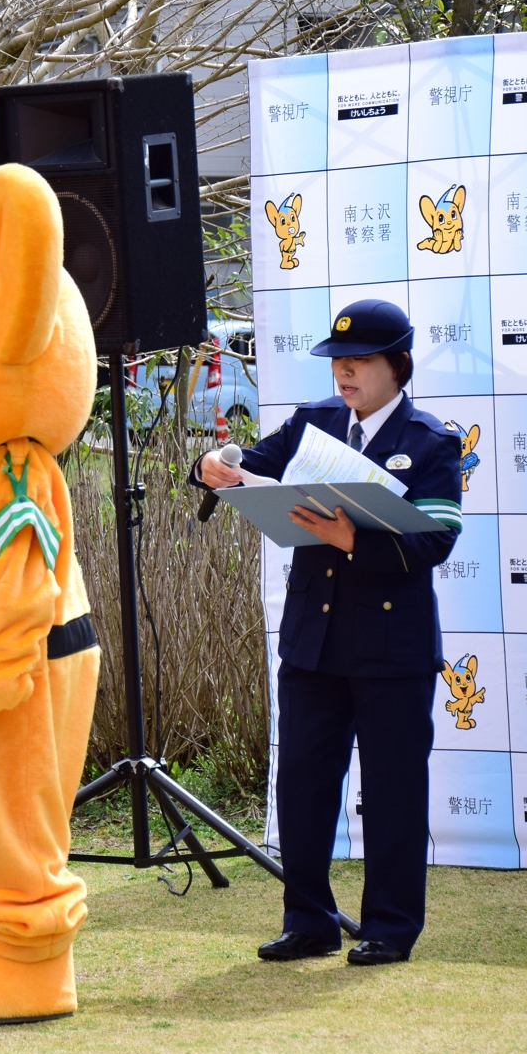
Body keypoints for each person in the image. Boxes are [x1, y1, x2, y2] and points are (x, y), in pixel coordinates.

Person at [192, 298, 461, 966]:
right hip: (313, 639)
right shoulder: (312, 423)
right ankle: (307, 920)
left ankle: (390, 927)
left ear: (398, 364)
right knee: (304, 784)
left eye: (359, 361)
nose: (344, 373)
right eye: (337, 361)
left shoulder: (431, 441)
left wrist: (352, 540)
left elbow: (436, 538)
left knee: (393, 790)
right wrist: (213, 465)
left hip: (392, 646)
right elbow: (248, 465)